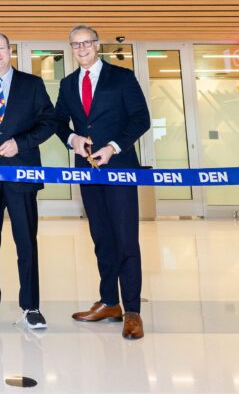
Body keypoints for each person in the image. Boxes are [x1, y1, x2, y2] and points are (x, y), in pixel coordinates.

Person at [54, 25, 151, 340]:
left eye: (86, 42)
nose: (81, 48)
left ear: (97, 45)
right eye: (75, 44)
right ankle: (110, 302)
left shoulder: (121, 77)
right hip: (87, 170)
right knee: (101, 238)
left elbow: (141, 119)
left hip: (119, 168)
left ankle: (132, 310)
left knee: (125, 239)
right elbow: (57, 121)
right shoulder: (68, 84)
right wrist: (72, 139)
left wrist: (113, 147)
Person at [0, 32, 56, 330]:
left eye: (0, 49)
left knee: (26, 242)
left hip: (22, 172)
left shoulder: (32, 84)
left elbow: (49, 122)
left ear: (10, 50)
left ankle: (31, 306)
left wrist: (22, 143)